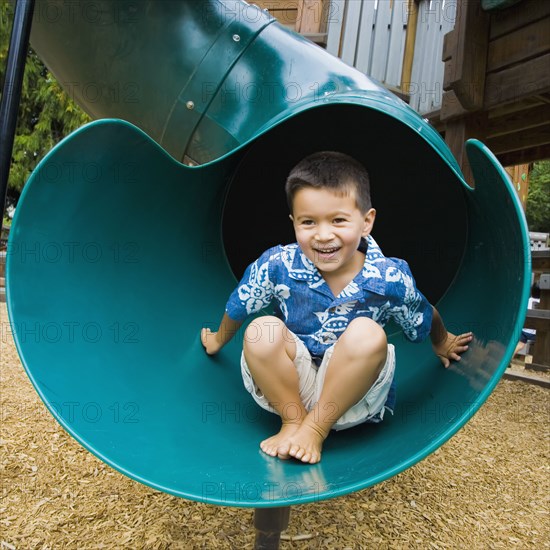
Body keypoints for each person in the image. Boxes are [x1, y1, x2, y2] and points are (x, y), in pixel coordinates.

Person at [201, 151, 472, 464]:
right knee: (261, 330)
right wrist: (217, 339)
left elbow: (422, 311)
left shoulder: (387, 277)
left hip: (352, 398)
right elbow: (242, 302)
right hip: (288, 388)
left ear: (366, 221)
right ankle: (293, 422)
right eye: (308, 222)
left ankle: (315, 429)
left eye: (338, 220)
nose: (323, 235)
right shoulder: (278, 264)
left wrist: (442, 340)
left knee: (367, 333)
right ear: (293, 223)